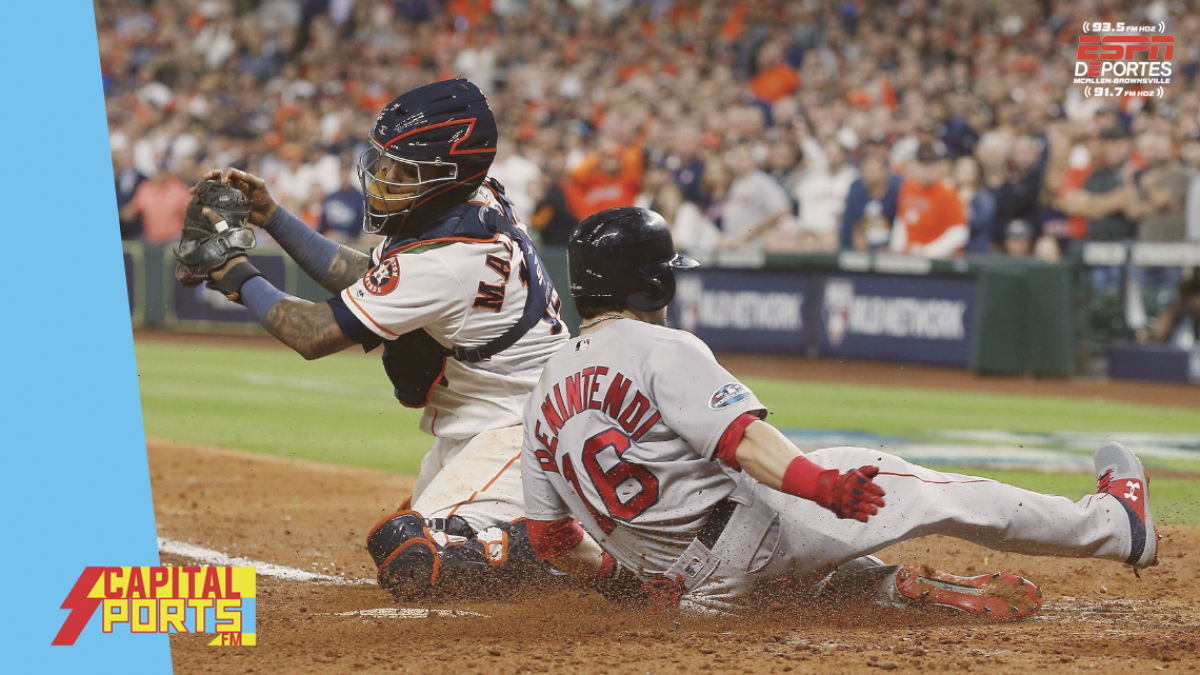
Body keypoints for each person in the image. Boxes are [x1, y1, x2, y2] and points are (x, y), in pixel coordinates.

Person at [519, 206, 1158, 616]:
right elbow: (744, 441)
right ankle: (1114, 525)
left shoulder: (543, 390)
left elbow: (549, 541)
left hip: (690, 598)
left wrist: (627, 583)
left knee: (807, 579)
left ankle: (889, 592)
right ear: (654, 283)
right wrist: (820, 484)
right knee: (929, 492)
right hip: (747, 542)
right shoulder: (661, 345)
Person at [192, 79, 571, 598]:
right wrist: (273, 218)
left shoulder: (446, 258)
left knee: (413, 558)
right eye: (385, 162)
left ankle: (572, 548)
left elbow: (313, 333)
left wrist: (234, 273)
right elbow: (369, 274)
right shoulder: (473, 202)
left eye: (404, 170)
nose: (385, 177)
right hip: (501, 421)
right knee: (407, 535)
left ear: (449, 175)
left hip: (519, 433)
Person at [890, 142, 968, 257]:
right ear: (915, 165)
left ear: (938, 167)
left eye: (931, 165)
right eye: (923, 164)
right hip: (910, 257)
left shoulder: (948, 192)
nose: (927, 170)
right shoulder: (907, 186)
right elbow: (902, 220)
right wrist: (897, 247)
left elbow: (959, 233)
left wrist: (928, 251)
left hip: (938, 261)